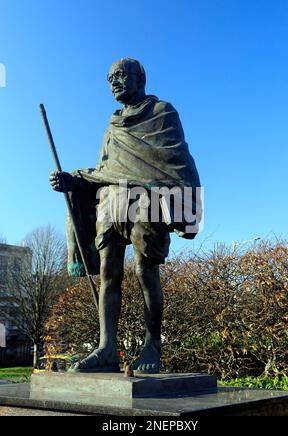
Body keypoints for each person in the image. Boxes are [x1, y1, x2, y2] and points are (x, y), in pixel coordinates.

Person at [50, 58, 201, 373]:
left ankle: (152, 345)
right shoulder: (113, 124)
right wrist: (73, 180)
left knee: (146, 271)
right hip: (112, 201)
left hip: (147, 201)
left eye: (120, 75)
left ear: (140, 77)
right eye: (109, 78)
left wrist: (179, 202)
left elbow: (173, 161)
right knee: (109, 274)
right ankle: (106, 349)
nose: (114, 82)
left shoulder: (163, 113)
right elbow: (107, 171)